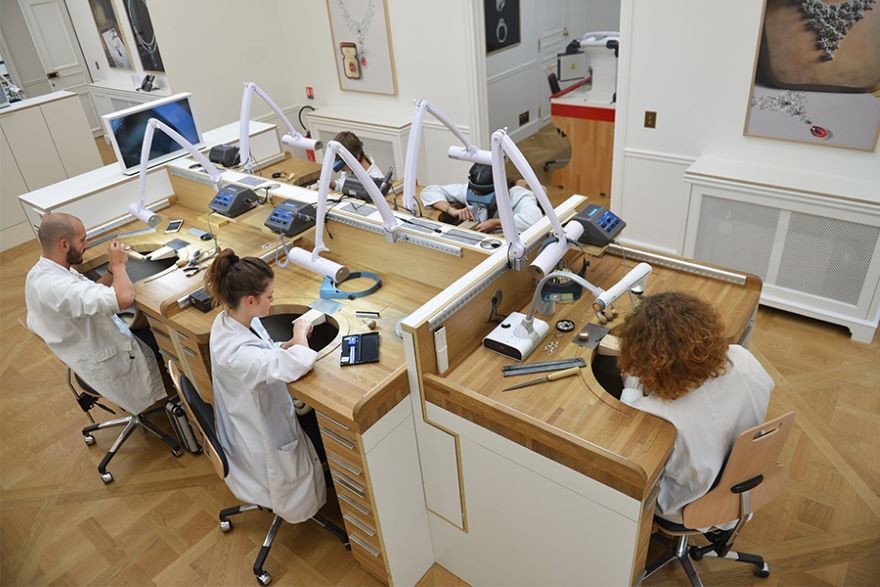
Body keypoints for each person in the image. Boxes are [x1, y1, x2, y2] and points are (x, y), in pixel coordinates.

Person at [616, 292, 773, 526]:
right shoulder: (744, 360)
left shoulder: (657, 415)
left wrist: (630, 386)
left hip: (688, 507)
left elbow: (633, 448)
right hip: (745, 483)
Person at [203, 249, 326, 523]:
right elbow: (295, 365)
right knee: (326, 425)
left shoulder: (228, 321)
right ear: (249, 300)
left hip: (247, 417)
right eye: (269, 297)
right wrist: (299, 334)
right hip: (261, 442)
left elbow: (264, 354)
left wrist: (285, 346)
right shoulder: (236, 352)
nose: (272, 302)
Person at [25, 213, 166, 415]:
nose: (87, 244)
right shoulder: (57, 286)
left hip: (84, 342)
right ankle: (185, 401)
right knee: (166, 337)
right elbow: (124, 298)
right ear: (64, 245)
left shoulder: (43, 271)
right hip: (106, 356)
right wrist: (119, 266)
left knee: (146, 325)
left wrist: (110, 271)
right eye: (82, 240)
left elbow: (90, 293)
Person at [419, 163, 543, 233]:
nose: (477, 197)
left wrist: (496, 223)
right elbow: (430, 191)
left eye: (482, 194)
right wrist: (452, 210)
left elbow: (534, 220)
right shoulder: (470, 191)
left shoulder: (519, 196)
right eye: (475, 192)